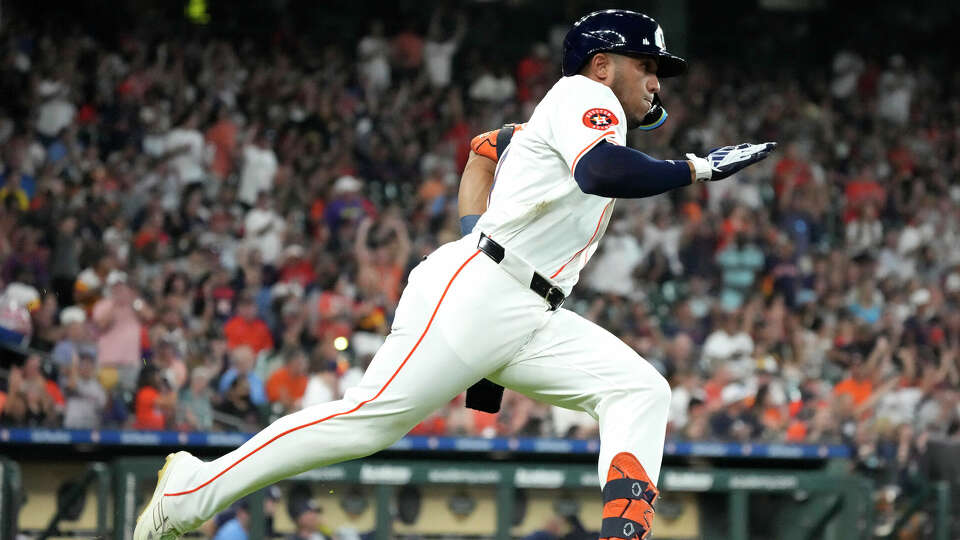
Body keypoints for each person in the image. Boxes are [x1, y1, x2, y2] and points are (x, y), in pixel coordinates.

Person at [134, 10, 775, 539]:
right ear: (603, 63)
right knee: (367, 421)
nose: (656, 82)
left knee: (641, 390)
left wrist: (485, 351)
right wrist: (697, 168)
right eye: (647, 65)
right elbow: (600, 173)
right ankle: (193, 487)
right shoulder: (585, 95)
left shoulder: (567, 118)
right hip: (488, 286)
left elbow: (483, 152)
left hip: (523, 306)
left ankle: (624, 535)